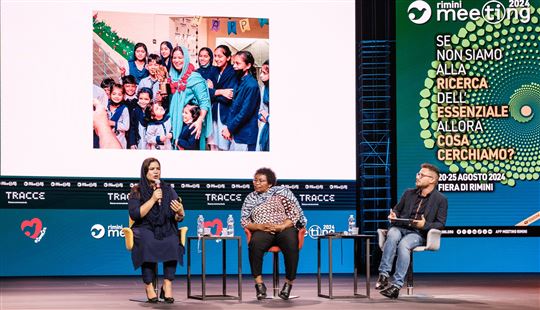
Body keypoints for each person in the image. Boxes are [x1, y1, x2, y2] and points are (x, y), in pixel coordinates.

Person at [376, 163, 448, 299]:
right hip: (400, 227)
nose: (418, 177)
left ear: (432, 180)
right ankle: (384, 275)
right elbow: (397, 209)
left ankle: (396, 286)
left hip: (417, 233)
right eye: (417, 174)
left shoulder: (441, 199)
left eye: (421, 175)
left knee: (404, 244)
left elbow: (440, 224)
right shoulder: (408, 193)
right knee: (392, 234)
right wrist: (394, 215)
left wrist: (424, 225)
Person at [241, 168, 307, 300]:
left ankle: (288, 284)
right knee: (255, 244)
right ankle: (259, 285)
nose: (257, 183)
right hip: (262, 230)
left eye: (261, 181)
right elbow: (245, 221)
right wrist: (260, 226)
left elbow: (295, 214)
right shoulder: (250, 198)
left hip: (283, 228)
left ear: (270, 183)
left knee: (291, 243)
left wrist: (281, 226)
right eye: (255, 180)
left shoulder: (282, 193)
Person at [128, 158, 185, 303]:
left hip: (165, 226)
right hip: (145, 226)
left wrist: (180, 213)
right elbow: (135, 214)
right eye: (152, 169)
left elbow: (178, 217)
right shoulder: (137, 190)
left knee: (173, 240)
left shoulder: (168, 189)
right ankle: (149, 286)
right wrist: (153, 199)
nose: (156, 172)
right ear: (145, 171)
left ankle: (167, 284)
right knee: (147, 241)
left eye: (157, 168)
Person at [167, 45, 212, 150]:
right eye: (174, 58)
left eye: (180, 57)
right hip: (177, 121)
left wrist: (199, 120)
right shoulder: (174, 78)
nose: (177, 60)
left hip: (189, 124)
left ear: (186, 58)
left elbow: (204, 103)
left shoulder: (195, 78)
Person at [222, 51, 260, 151]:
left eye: (238, 63)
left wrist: (229, 128)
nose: (234, 66)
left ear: (248, 65)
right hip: (236, 133)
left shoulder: (252, 85)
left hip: (245, 136)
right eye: (234, 63)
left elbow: (244, 113)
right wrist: (229, 128)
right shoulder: (240, 80)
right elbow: (234, 108)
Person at [207, 45, 237, 151]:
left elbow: (229, 97)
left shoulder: (233, 72)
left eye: (220, 56)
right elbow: (206, 93)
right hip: (213, 113)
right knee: (213, 145)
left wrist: (214, 92)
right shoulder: (213, 70)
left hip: (226, 114)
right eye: (215, 56)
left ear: (228, 58)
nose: (217, 59)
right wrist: (221, 91)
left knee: (225, 146)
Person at [256, 60, 270, 151]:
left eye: (264, 73)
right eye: (261, 72)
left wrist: (267, 116)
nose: (261, 75)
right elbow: (261, 109)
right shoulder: (264, 88)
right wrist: (262, 116)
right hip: (264, 126)